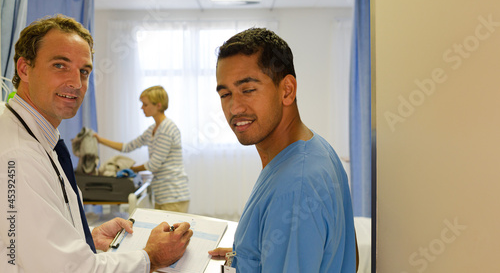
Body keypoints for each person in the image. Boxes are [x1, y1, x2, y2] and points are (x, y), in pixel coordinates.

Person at [0, 15, 193, 273]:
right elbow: (69, 269)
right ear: (24, 69)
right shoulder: (18, 155)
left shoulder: (41, 139)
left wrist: (87, 235)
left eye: (84, 71)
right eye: (60, 65)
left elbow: (41, 238)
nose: (76, 83)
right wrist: (150, 257)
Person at [209, 28, 358, 272]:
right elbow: (347, 254)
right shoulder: (317, 149)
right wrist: (248, 256)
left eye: (248, 90)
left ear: (287, 90)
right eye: (225, 94)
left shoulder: (294, 187)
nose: (234, 108)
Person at [94, 85, 190, 213]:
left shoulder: (167, 129)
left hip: (174, 195)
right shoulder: (152, 130)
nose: (142, 108)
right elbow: (127, 147)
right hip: (163, 195)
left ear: (158, 106)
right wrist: (100, 140)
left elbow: (154, 164)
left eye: (145, 104)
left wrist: (131, 169)